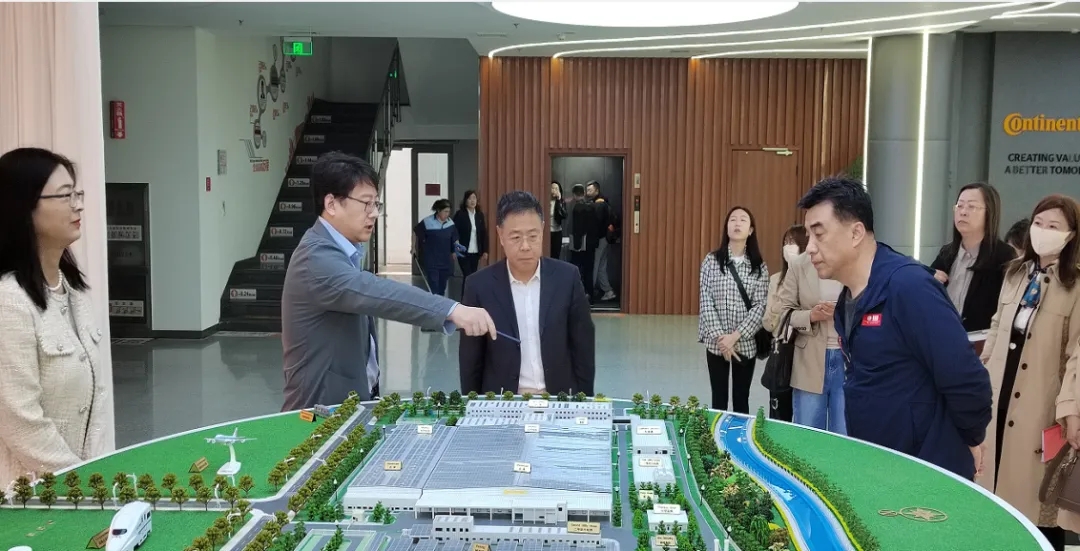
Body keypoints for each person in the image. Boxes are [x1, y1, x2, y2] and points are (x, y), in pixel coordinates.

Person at [796, 176, 992, 479]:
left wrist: (970, 437)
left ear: (856, 233)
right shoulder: (849, 299)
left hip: (925, 473)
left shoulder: (908, 287)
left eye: (819, 234)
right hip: (882, 465)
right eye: (808, 236)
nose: (809, 248)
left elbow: (965, 377)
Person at [281, 152, 496, 410]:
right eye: (366, 203)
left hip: (345, 404)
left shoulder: (343, 249)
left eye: (376, 204)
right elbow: (374, 293)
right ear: (332, 204)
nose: (374, 213)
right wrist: (452, 310)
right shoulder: (315, 259)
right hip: (316, 413)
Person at [0, 147, 112, 486]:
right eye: (65, 195)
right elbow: (22, 424)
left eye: (77, 194)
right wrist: (85, 482)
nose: (78, 205)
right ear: (23, 207)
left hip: (81, 489)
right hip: (31, 496)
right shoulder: (9, 302)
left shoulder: (73, 291)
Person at [978, 195, 1080, 550]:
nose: (1043, 231)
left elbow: (1077, 353)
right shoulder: (1016, 273)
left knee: (1038, 505)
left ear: (1071, 235)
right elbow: (997, 326)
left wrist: (1071, 408)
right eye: (1038, 223)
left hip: (1043, 407)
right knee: (994, 495)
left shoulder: (1075, 285)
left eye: (1054, 226)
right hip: (999, 398)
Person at [459, 191, 595, 396]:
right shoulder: (478, 286)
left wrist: (584, 402)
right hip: (503, 400)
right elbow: (471, 359)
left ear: (542, 230)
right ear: (500, 235)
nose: (525, 246)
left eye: (533, 236)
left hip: (558, 399)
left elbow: (583, 348)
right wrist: (472, 403)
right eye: (515, 237)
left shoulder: (568, 278)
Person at [698, 206, 769, 413]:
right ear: (726, 227)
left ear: (751, 230)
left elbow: (760, 306)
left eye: (743, 220)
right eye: (733, 219)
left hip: (745, 343)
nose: (737, 223)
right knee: (718, 399)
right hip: (716, 344)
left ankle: (739, 433)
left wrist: (735, 337)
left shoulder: (759, 266)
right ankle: (716, 433)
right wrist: (722, 339)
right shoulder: (711, 261)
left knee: (741, 399)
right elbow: (706, 300)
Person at [930, 183, 1013, 332]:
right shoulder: (946, 253)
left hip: (981, 341)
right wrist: (929, 278)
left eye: (971, 207)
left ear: (989, 213)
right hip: (942, 336)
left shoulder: (1004, 257)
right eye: (959, 206)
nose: (963, 212)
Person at [762, 225, 808, 422]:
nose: (788, 247)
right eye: (785, 243)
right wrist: (781, 303)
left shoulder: (813, 280)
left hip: (805, 353)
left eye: (793, 242)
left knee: (804, 412)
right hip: (782, 353)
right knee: (780, 412)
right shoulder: (775, 280)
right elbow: (768, 324)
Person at [414, 198, 461, 298]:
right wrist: (413, 247)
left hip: (445, 260)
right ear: (438, 210)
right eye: (445, 211)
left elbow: (455, 238)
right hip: (431, 260)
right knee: (434, 286)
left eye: (449, 212)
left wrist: (455, 250)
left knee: (442, 288)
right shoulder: (427, 222)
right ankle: (435, 305)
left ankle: (439, 303)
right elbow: (415, 232)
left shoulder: (450, 223)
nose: (447, 214)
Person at [569, 184, 602, 299]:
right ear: (583, 193)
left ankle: (580, 295)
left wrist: (576, 245)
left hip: (581, 245)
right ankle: (590, 295)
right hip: (591, 243)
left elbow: (578, 229)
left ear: (574, 195)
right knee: (589, 269)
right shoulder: (592, 206)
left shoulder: (577, 208)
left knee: (578, 269)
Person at [452, 190, 488, 295]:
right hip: (463, 251)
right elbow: (454, 231)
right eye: (470, 198)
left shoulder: (479, 215)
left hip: (475, 251)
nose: (472, 201)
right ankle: (465, 300)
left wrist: (485, 250)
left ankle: (471, 299)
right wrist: (454, 247)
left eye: (474, 198)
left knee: (473, 276)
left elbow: (483, 233)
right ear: (465, 200)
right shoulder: (460, 215)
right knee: (468, 275)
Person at [586, 181, 616, 302]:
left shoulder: (598, 205)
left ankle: (590, 291)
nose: (587, 192)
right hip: (605, 239)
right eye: (587, 190)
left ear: (597, 191)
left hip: (599, 239)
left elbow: (596, 224)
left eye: (590, 190)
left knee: (595, 265)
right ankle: (608, 291)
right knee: (601, 267)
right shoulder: (604, 202)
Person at [549, 181, 567, 259]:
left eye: (556, 189)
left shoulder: (561, 202)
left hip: (557, 232)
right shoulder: (545, 200)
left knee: (555, 256)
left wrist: (559, 201)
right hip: (547, 232)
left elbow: (563, 215)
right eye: (552, 188)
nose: (554, 190)